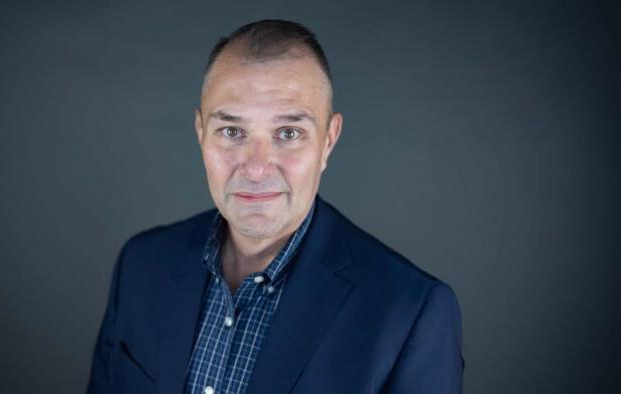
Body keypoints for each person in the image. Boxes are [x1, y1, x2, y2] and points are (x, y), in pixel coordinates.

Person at [86, 19, 464, 394]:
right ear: (201, 133)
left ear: (328, 141)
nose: (255, 168)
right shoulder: (141, 264)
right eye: (232, 132)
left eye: (288, 133)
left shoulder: (411, 313)